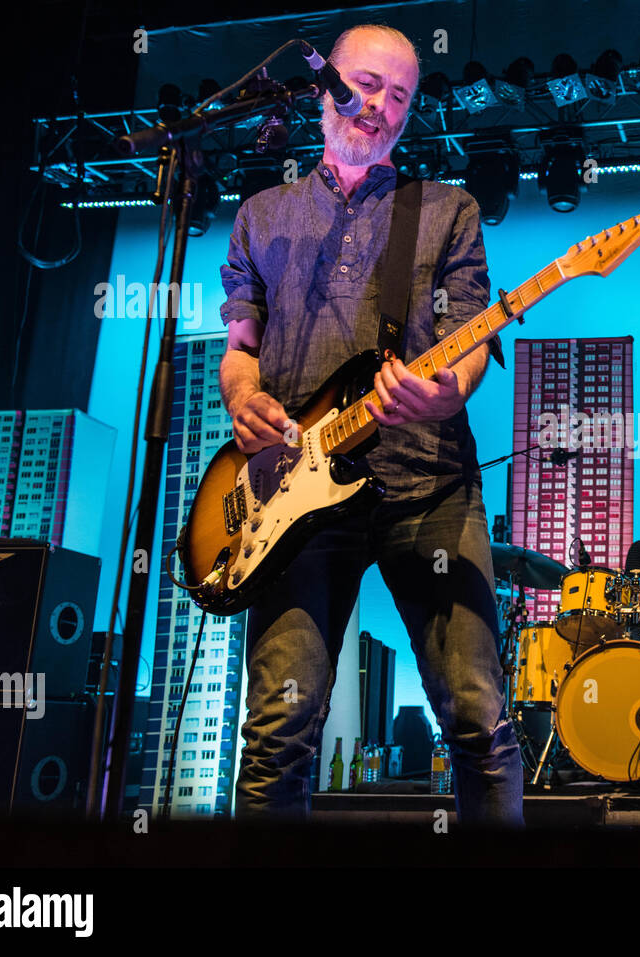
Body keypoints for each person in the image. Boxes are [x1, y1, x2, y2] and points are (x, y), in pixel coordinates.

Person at [217, 23, 522, 827]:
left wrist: (446, 393)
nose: (379, 105)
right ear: (325, 89)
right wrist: (242, 395)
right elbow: (240, 348)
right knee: (277, 734)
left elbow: (472, 342)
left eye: (399, 95)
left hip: (431, 491)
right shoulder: (261, 217)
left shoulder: (447, 211)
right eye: (365, 84)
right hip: (296, 500)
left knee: (478, 720)